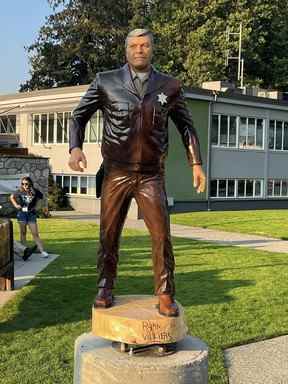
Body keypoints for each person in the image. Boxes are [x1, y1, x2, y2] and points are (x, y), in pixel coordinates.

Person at [68, 28, 206, 317]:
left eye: (144, 45)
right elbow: (79, 115)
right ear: (126, 50)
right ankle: (105, 286)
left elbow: (187, 127)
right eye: (134, 45)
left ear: (152, 48)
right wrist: (74, 148)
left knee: (161, 235)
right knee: (109, 233)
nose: (139, 50)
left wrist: (196, 163)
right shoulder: (105, 81)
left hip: (151, 175)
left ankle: (166, 292)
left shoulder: (170, 86)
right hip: (116, 173)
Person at [10, 176, 49, 260]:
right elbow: (11, 197)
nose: (24, 185)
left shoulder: (35, 191)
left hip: (31, 214)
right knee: (23, 233)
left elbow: (42, 198)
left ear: (30, 183)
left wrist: (38, 207)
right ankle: (24, 251)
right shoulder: (20, 191)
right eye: (23, 184)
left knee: (35, 233)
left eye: (26, 183)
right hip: (22, 214)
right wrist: (16, 205)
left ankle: (42, 251)